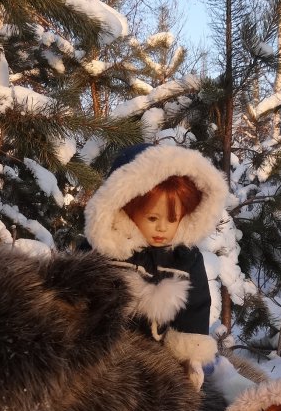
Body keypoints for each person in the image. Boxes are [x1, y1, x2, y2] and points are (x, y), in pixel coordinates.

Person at [83, 143, 228, 388]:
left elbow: (195, 308)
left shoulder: (185, 259)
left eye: (173, 219)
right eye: (152, 218)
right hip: (104, 357)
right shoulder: (106, 254)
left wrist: (190, 356)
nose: (162, 228)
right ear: (126, 209)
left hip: (160, 361)